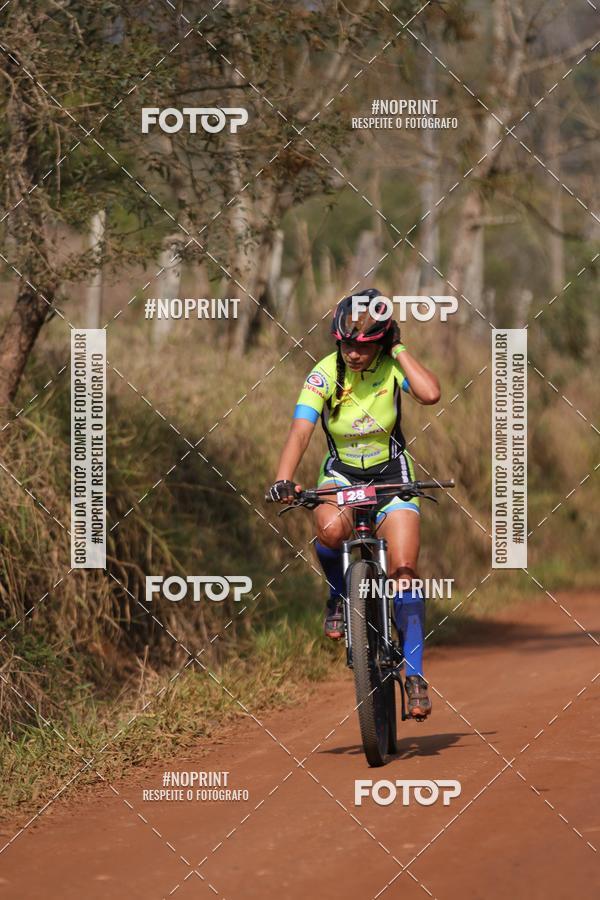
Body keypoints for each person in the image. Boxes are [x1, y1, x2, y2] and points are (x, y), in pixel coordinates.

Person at [268, 288, 441, 719]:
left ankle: (415, 675)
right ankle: (338, 596)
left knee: (404, 573)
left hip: (390, 474)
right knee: (328, 529)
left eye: (363, 346)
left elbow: (431, 394)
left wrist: (398, 348)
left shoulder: (390, 367)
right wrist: (284, 479)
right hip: (342, 473)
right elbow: (301, 430)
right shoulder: (324, 373)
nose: (353, 354)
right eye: (345, 344)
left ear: (380, 342)